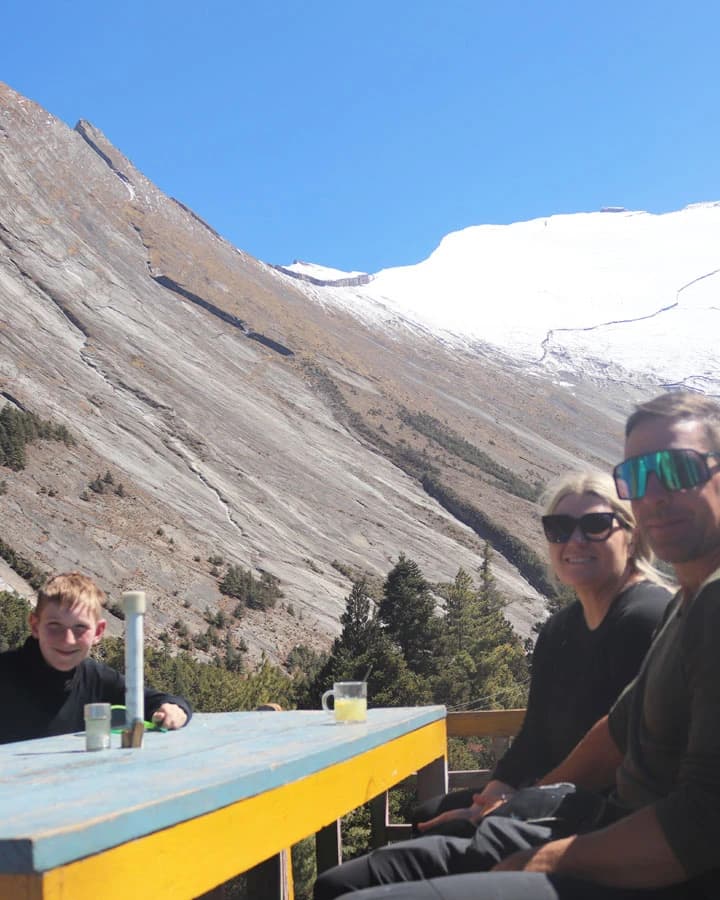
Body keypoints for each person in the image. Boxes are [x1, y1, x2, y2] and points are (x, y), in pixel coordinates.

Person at [316, 391, 720, 900]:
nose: (656, 495)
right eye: (638, 477)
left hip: (663, 870)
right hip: (603, 822)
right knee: (350, 879)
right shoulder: (681, 606)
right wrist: (514, 802)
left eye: (679, 469)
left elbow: (704, 819)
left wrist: (545, 857)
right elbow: (612, 733)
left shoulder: (678, 609)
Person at [412, 470, 671, 837]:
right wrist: (491, 797)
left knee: (362, 875)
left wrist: (520, 804)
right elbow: (534, 736)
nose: (576, 540)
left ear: (632, 535)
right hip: (555, 798)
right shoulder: (559, 630)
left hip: (610, 817)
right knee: (429, 817)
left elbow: (617, 753)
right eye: (560, 528)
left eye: (596, 525)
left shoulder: (646, 619)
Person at [0, 572, 192, 744]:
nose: (67, 640)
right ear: (35, 625)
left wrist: (176, 709)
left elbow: (155, 700)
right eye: (54, 625)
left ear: (98, 632)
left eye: (80, 627)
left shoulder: (95, 678)